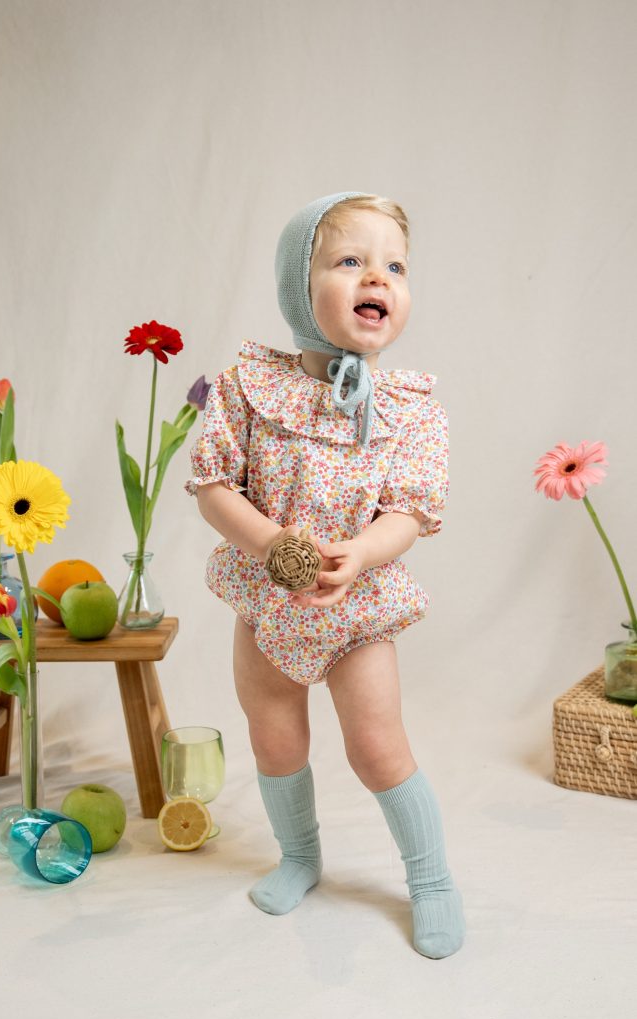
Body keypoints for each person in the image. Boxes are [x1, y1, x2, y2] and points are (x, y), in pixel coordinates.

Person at [185, 192, 465, 959]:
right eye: (349, 261)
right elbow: (213, 486)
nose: (377, 277)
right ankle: (300, 857)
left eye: (394, 267)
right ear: (296, 286)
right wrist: (271, 544)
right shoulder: (247, 387)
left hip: (356, 608)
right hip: (268, 601)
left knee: (376, 747)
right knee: (274, 737)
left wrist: (363, 553)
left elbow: (408, 511)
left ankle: (431, 879)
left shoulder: (411, 409)